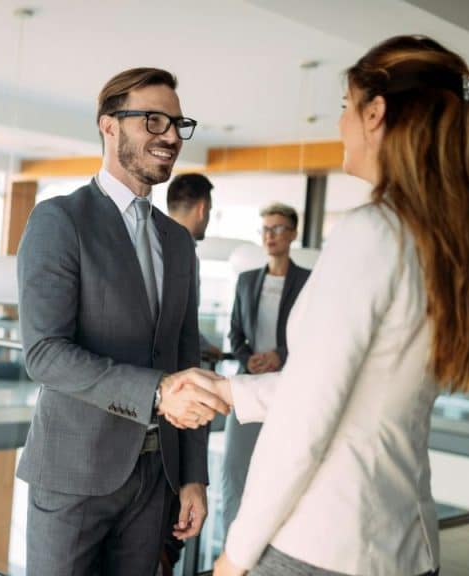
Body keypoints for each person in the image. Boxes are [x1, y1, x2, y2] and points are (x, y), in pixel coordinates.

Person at [204, 35, 469, 575]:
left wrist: (235, 553)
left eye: (345, 107)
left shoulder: (371, 233)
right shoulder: (445, 244)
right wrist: (229, 390)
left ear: (375, 113)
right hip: (403, 545)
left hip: (323, 546)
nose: (340, 123)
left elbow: (305, 423)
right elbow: (359, 393)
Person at [16, 67, 227, 576]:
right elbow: (44, 354)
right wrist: (156, 392)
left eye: (177, 124)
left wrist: (193, 474)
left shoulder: (177, 242)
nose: (172, 136)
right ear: (109, 125)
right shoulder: (59, 220)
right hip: (74, 472)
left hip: (158, 477)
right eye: (153, 120)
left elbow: (185, 359)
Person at [221, 202, 310, 536]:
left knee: (282, 472)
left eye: (278, 229)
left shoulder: (308, 281)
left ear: (293, 234)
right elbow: (235, 332)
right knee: (235, 471)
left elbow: (315, 332)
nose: (270, 236)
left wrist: (280, 355)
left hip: (289, 387)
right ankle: (232, 546)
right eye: (265, 229)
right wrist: (248, 358)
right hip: (249, 383)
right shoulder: (245, 281)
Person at [166, 173, 223, 362]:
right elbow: (180, 319)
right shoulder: (185, 253)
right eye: (209, 211)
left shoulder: (153, 245)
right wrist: (204, 346)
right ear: (202, 209)